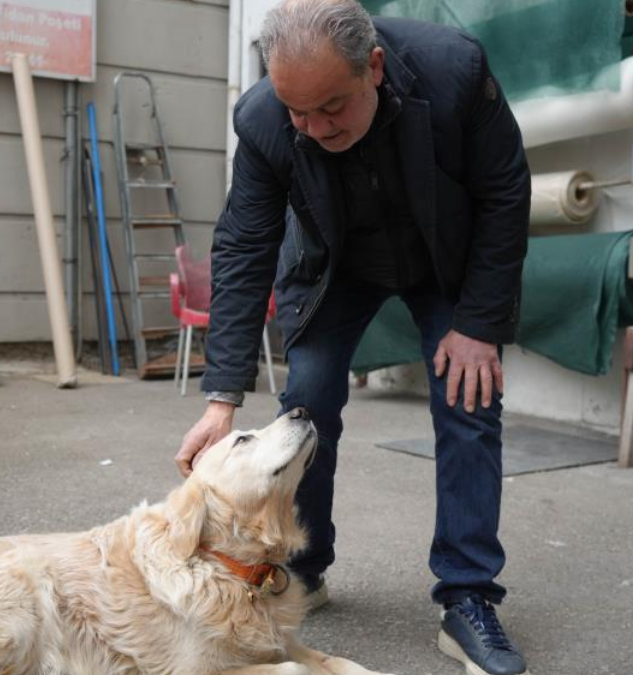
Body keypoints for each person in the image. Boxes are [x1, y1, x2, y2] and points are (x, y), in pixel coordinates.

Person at [174, 1, 530, 673]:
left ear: (372, 68)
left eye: (331, 108)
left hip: (441, 258)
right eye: (297, 114)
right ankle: (302, 569)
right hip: (336, 265)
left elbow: (505, 194)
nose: (312, 127)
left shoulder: (454, 72)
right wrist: (221, 396)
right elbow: (245, 245)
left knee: (469, 398)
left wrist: (479, 324)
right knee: (305, 399)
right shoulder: (262, 119)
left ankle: (468, 597)